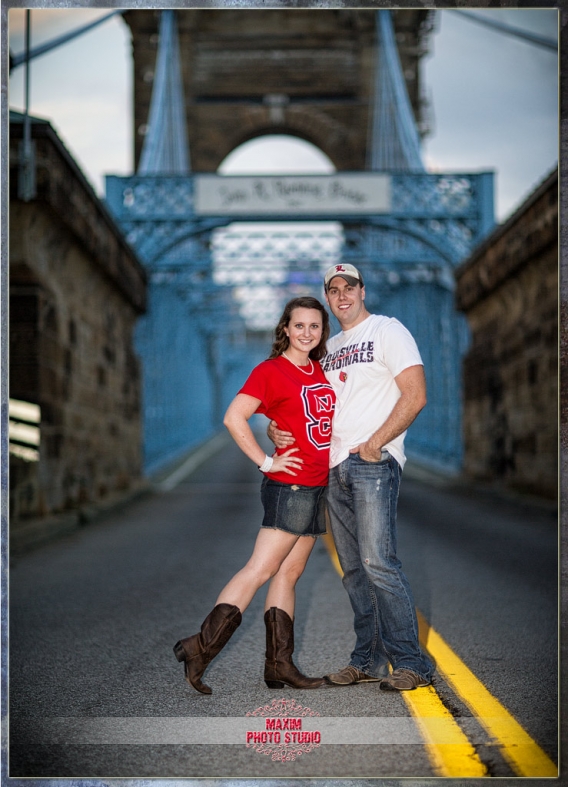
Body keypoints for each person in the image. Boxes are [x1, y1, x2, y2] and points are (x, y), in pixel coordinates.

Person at [268, 264, 433, 691]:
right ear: (327, 296)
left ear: (363, 290)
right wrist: (274, 427)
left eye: (350, 287)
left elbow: (416, 395)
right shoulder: (330, 346)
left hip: (371, 461)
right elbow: (304, 403)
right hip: (332, 465)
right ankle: (368, 659)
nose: (342, 295)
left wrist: (377, 443)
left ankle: (411, 662)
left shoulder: (387, 330)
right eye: (334, 289)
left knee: (380, 562)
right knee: (354, 570)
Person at [173, 296, 336, 694]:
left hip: (317, 485)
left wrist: (275, 429)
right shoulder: (271, 370)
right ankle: (200, 647)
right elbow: (234, 416)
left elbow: (302, 418)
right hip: (291, 485)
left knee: (289, 573)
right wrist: (266, 462)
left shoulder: (321, 370)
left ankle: (279, 665)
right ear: (285, 328)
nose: (307, 333)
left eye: (314, 326)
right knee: (260, 569)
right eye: (299, 325)